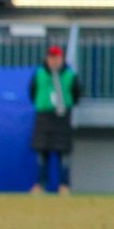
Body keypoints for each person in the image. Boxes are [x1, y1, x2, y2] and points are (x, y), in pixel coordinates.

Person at [29, 45, 80, 195]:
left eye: (57, 58)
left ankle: (64, 185)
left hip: (62, 117)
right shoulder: (39, 74)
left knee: (63, 154)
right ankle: (40, 184)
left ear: (62, 59)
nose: (54, 61)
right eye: (51, 57)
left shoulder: (70, 75)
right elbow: (32, 92)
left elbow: (76, 94)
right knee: (42, 154)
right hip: (44, 117)